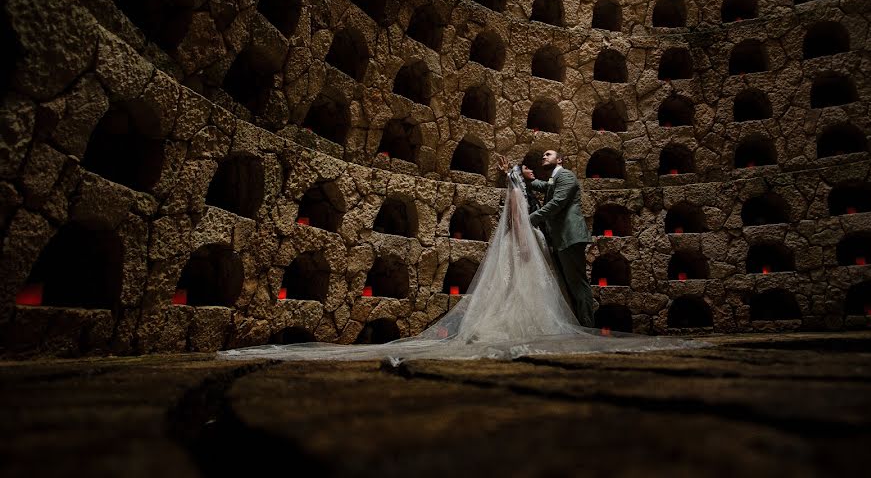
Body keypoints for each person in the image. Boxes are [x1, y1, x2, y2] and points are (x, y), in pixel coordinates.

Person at [217, 156, 708, 364]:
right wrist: (518, 182)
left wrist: (522, 188)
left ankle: (582, 320)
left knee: (571, 284)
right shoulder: (536, 185)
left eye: (548, 158)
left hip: (562, 236)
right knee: (557, 285)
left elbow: (548, 201)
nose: (547, 160)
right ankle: (579, 322)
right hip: (547, 237)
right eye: (534, 166)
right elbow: (536, 197)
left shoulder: (565, 178)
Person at [520, 150, 594, 328]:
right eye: (543, 155)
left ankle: (588, 328)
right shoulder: (554, 179)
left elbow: (557, 202)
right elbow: (545, 187)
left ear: (559, 159)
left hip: (570, 236)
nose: (543, 156)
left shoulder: (566, 175)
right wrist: (519, 175)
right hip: (562, 238)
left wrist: (530, 218)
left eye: (548, 154)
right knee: (570, 284)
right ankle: (579, 324)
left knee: (577, 283)